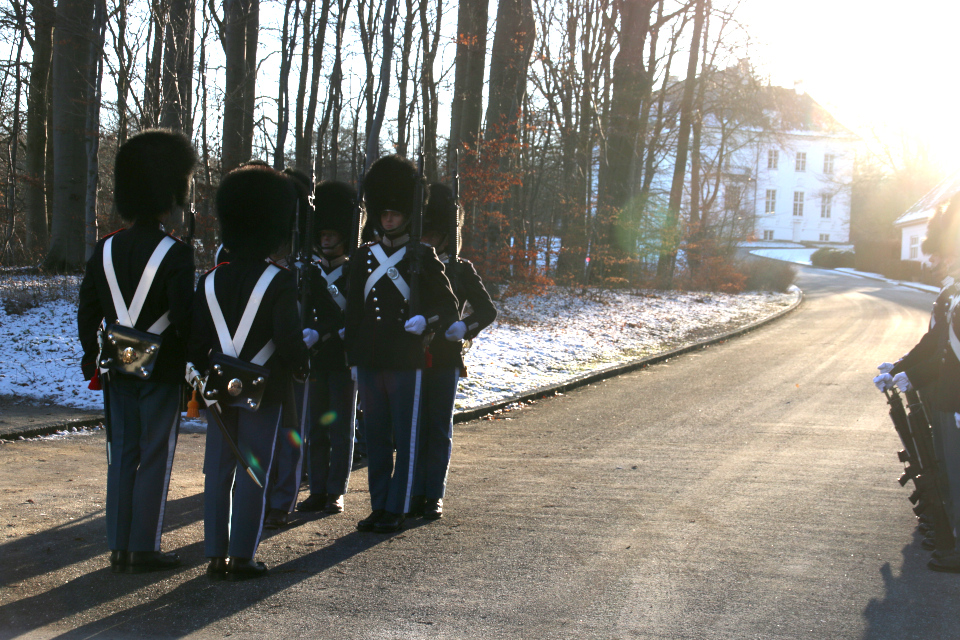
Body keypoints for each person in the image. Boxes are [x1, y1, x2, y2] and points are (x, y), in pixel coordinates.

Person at [78, 129, 197, 573]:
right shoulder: (177, 253)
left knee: (122, 454)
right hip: (161, 367)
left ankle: (119, 547)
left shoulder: (105, 248)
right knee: (154, 455)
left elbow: (87, 309)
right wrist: (191, 359)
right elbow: (184, 316)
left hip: (115, 362)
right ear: (169, 197)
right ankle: (144, 547)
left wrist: (91, 357)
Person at [188, 165, 315, 580]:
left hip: (218, 386)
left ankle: (214, 553)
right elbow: (287, 337)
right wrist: (301, 365)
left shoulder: (210, 280)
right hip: (265, 388)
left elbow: (195, 342)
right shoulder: (279, 281)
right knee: (253, 468)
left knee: (218, 469)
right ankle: (243, 554)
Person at [343, 155, 459, 533]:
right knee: (376, 437)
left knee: (406, 438)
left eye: (394, 214)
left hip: (407, 359)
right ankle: (380, 505)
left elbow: (448, 305)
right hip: (373, 358)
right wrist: (353, 358)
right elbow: (354, 314)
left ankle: (400, 505)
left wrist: (427, 319)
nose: (388, 220)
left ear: (407, 214)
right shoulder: (362, 258)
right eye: (383, 214)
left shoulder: (422, 257)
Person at [874, 194, 960, 572]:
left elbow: (947, 352)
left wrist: (915, 375)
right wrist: (902, 367)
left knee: (954, 472)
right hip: (944, 396)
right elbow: (934, 344)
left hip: (952, 398)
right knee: (946, 470)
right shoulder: (951, 294)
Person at [409, 183, 497, 520]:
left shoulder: (460, 269)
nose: (429, 241)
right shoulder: (411, 266)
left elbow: (487, 311)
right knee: (413, 428)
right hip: (410, 357)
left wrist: (466, 327)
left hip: (445, 355)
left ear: (447, 236)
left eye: (434, 235)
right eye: (425, 235)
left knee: (438, 427)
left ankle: (434, 494)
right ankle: (413, 491)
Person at [297, 180, 359, 515]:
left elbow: (352, 316)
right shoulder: (311, 273)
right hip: (318, 360)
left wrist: (322, 332)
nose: (325, 239)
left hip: (343, 358)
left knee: (340, 428)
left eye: (331, 235)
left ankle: (336, 490)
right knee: (316, 429)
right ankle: (317, 487)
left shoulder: (353, 272)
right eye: (321, 235)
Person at [263, 168, 313, 529]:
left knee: (291, 432)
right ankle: (259, 495)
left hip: (293, 350)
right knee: (259, 432)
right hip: (256, 352)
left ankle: (282, 498)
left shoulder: (306, 261)